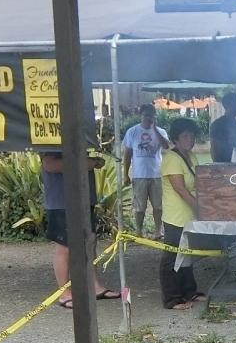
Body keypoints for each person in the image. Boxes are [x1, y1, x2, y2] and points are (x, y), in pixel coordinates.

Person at [41, 149, 118, 309]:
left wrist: (91, 162)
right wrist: (88, 163)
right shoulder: (50, 139)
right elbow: (49, 164)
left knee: (89, 241)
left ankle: (94, 286)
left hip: (84, 198)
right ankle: (64, 293)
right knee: (65, 247)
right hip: (62, 201)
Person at [159, 117, 209, 309]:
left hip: (189, 216)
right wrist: (200, 208)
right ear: (176, 138)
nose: (190, 139)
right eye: (186, 136)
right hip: (176, 216)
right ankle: (171, 298)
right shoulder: (171, 159)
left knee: (186, 256)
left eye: (192, 135)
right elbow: (181, 189)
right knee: (172, 257)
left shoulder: (191, 156)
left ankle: (189, 291)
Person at [121, 104, 169, 238]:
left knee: (158, 206)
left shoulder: (161, 131)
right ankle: (139, 231)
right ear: (140, 116)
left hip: (156, 174)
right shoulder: (132, 131)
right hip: (139, 175)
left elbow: (166, 146)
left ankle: (158, 231)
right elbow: (127, 154)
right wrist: (126, 174)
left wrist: (155, 129)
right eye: (146, 115)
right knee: (140, 207)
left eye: (151, 115)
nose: (148, 118)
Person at [209, 92, 236, 163]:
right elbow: (213, 149)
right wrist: (218, 166)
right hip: (223, 166)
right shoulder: (218, 125)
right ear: (229, 105)